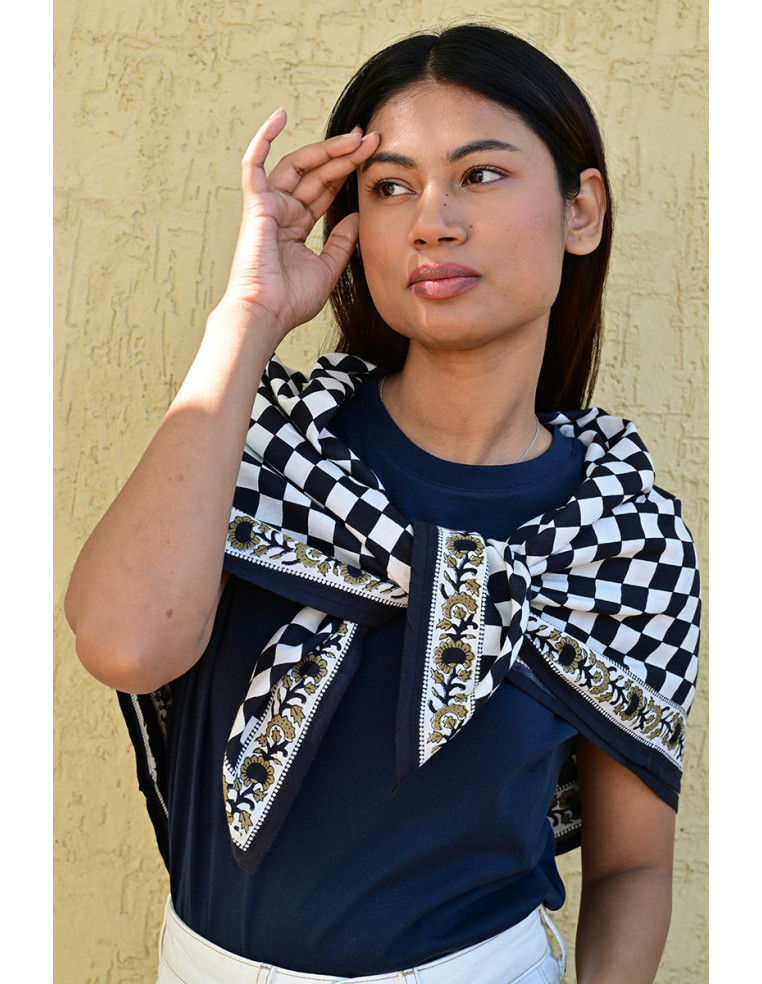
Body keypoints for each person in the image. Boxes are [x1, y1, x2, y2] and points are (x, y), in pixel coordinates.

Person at [65, 23, 701, 984]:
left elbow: (633, 865)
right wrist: (248, 316)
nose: (431, 221)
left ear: (583, 209)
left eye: (481, 175)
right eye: (391, 186)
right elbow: (122, 644)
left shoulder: (625, 543)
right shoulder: (261, 438)